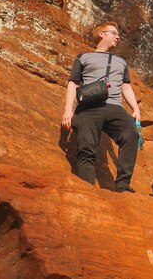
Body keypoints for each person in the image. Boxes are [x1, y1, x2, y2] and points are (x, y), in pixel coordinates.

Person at [61, 21, 141, 192]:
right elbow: (73, 83)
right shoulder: (84, 57)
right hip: (89, 107)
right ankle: (86, 190)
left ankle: (123, 186)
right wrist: (68, 110)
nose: (118, 37)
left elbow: (126, 86)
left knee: (131, 134)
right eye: (113, 33)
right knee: (86, 149)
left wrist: (136, 109)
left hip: (114, 107)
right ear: (101, 35)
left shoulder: (121, 62)